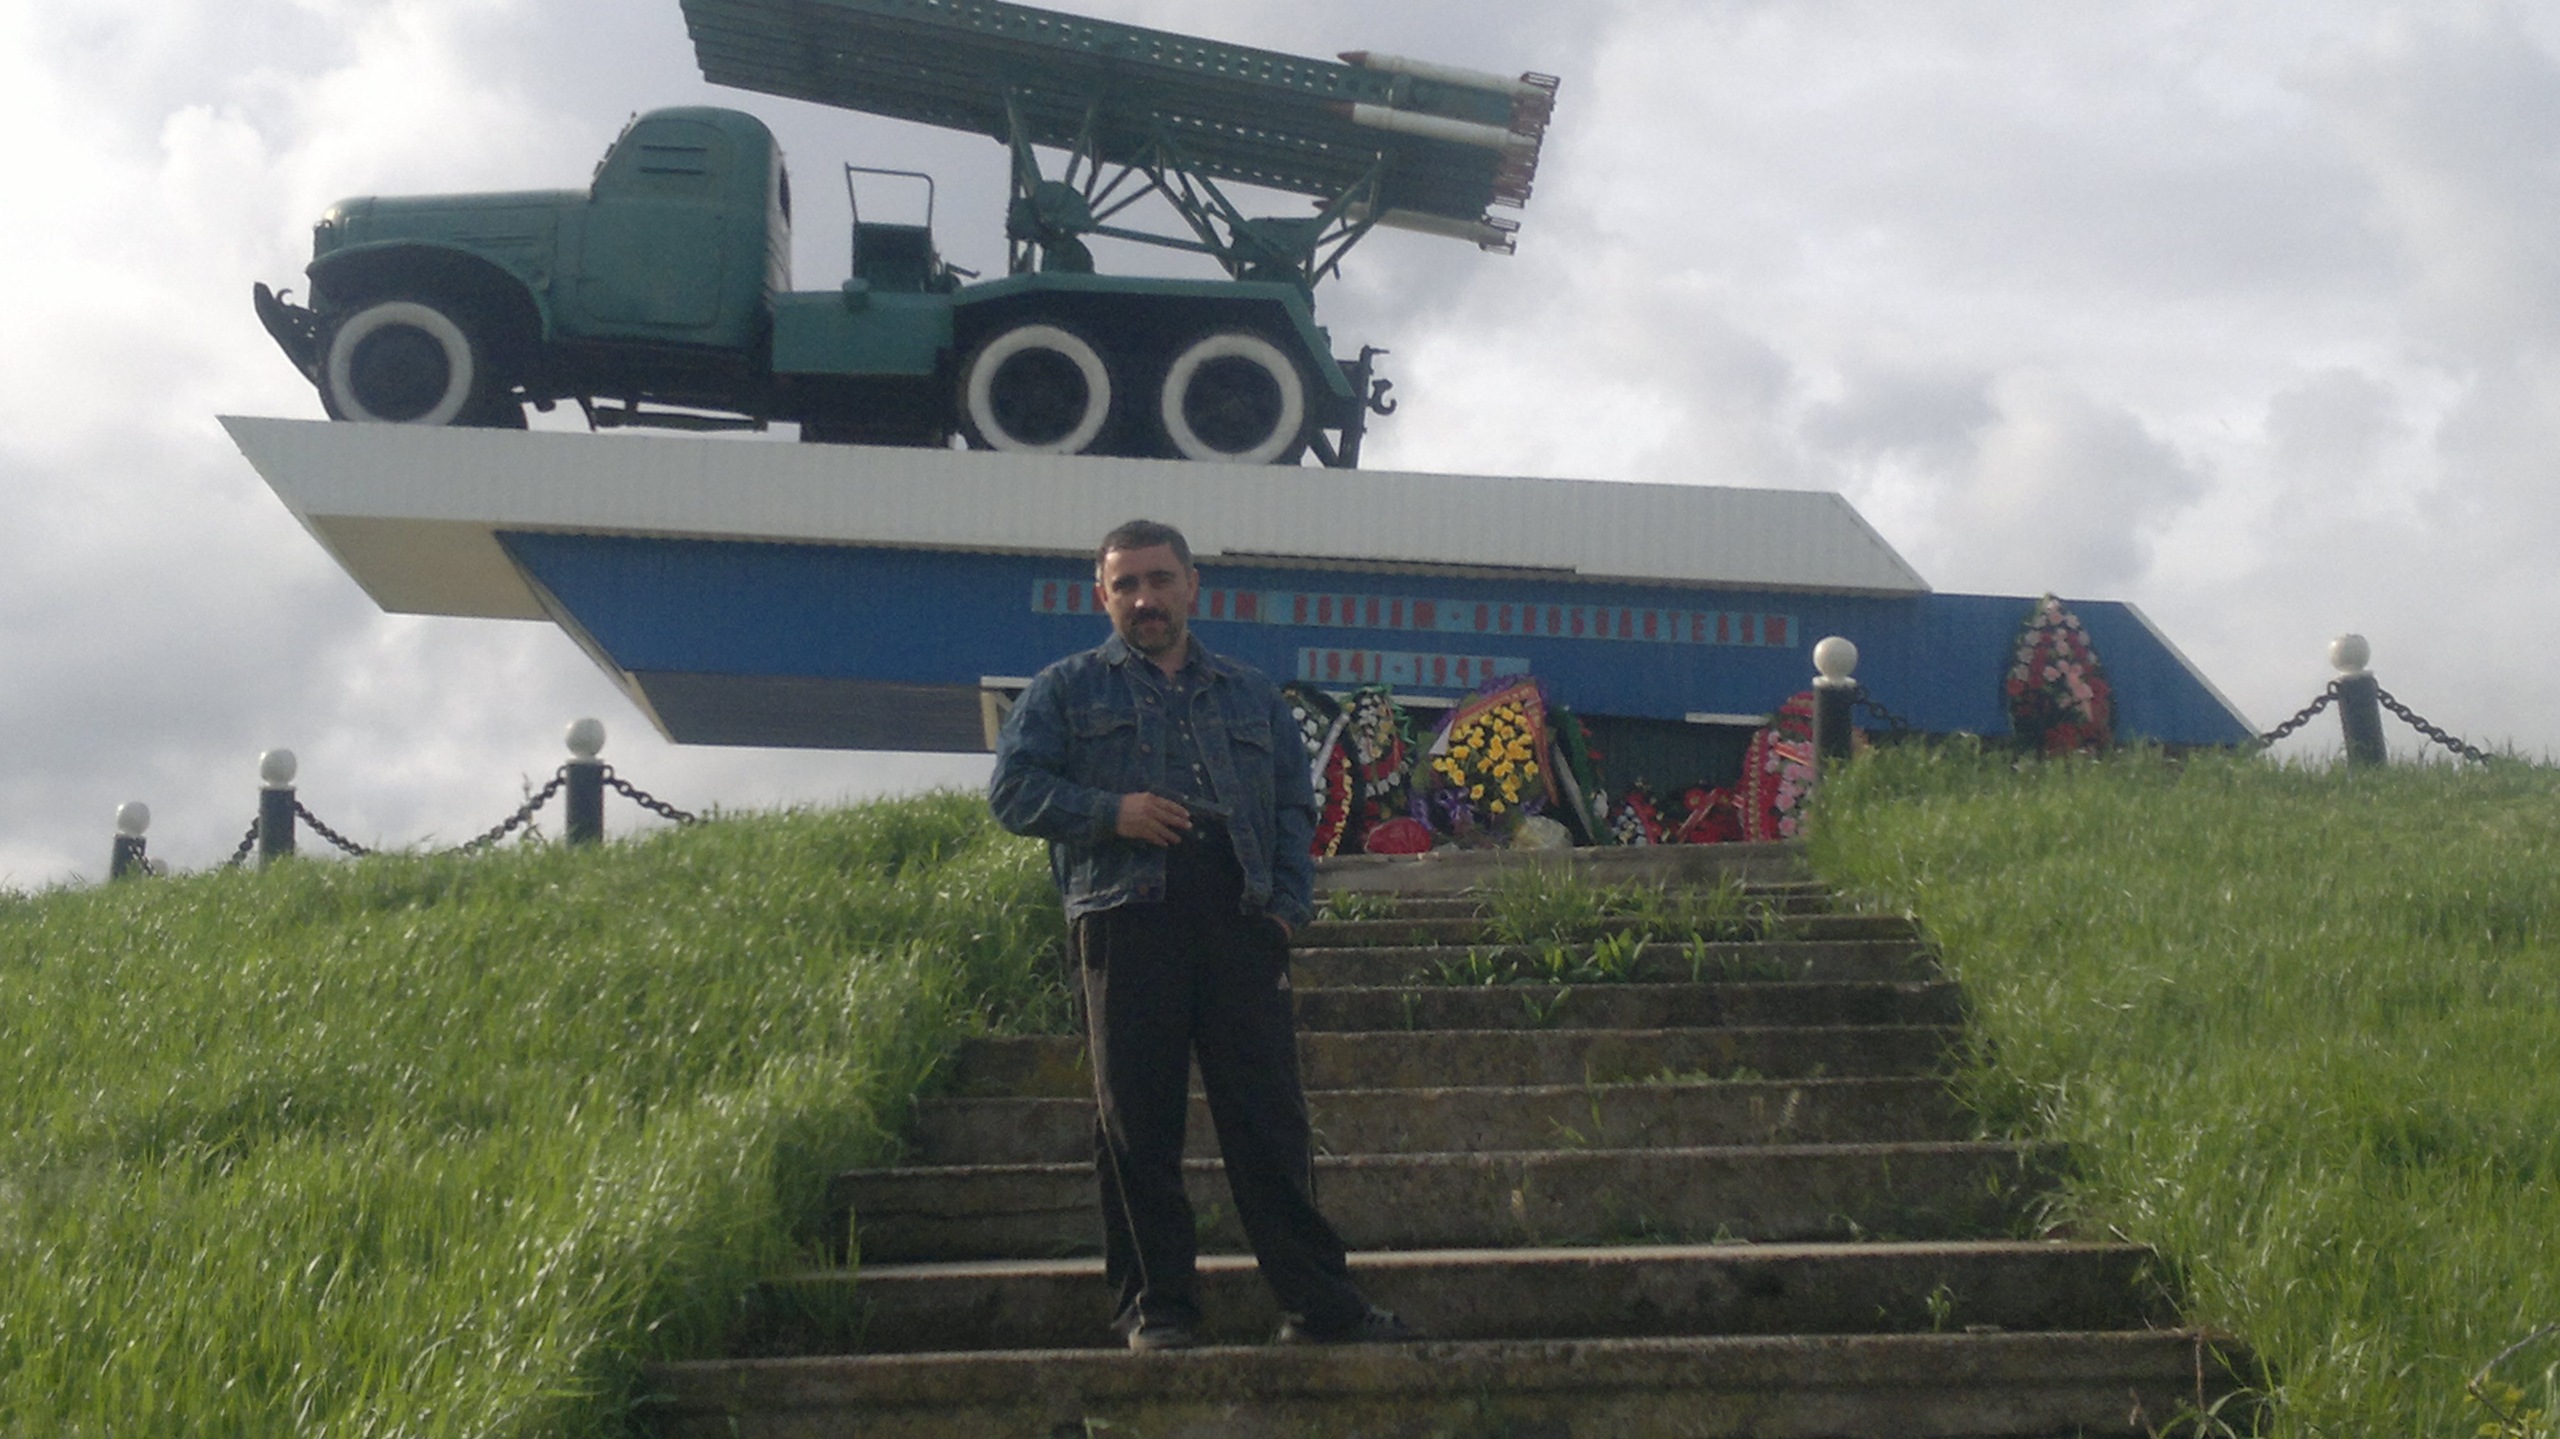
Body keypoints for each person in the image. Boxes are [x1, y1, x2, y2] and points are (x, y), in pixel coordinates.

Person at [988, 518, 1410, 1353]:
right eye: (1126, 585)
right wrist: (1113, 812)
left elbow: (1294, 807)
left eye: (1159, 579)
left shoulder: (1252, 694)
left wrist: (1285, 907)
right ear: (1102, 596)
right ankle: (1159, 1307)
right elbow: (1013, 790)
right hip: (1125, 917)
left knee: (1270, 1119)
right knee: (1136, 1121)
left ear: (1192, 585)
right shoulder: (1065, 689)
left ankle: (1320, 1302)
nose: (1144, 598)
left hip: (1238, 916)